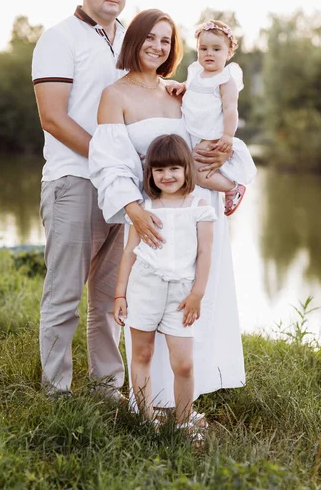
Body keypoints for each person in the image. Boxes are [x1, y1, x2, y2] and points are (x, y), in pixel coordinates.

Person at [89, 8, 245, 415]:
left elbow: (202, 144)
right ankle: (147, 406)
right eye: (150, 38)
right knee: (148, 299)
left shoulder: (180, 93)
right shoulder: (115, 95)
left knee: (195, 300)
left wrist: (230, 180)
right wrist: (135, 212)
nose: (158, 47)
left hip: (196, 212)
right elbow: (110, 164)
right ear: (134, 41)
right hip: (149, 216)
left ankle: (185, 402)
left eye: (165, 40)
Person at [31, 0, 130, 398]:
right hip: (74, 180)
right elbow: (53, 117)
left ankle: (108, 387)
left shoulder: (131, 40)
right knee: (65, 295)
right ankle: (57, 393)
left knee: (109, 299)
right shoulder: (59, 38)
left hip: (121, 189)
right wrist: (108, 160)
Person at [113, 134, 216, 437]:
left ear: (186, 169)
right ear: (150, 173)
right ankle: (145, 419)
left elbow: (205, 253)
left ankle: (184, 423)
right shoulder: (144, 208)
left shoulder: (200, 205)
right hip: (144, 287)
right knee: (142, 354)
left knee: (183, 363)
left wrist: (197, 293)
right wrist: (120, 293)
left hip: (182, 294)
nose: (166, 176)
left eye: (174, 169)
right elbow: (129, 252)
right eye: (159, 170)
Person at [180, 19, 257, 216]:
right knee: (191, 165)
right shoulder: (196, 72)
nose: (209, 54)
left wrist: (228, 136)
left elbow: (231, 109)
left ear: (228, 53)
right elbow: (190, 87)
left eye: (216, 49)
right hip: (193, 130)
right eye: (203, 49)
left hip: (211, 134)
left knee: (199, 174)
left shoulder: (225, 79)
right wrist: (180, 87)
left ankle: (232, 187)